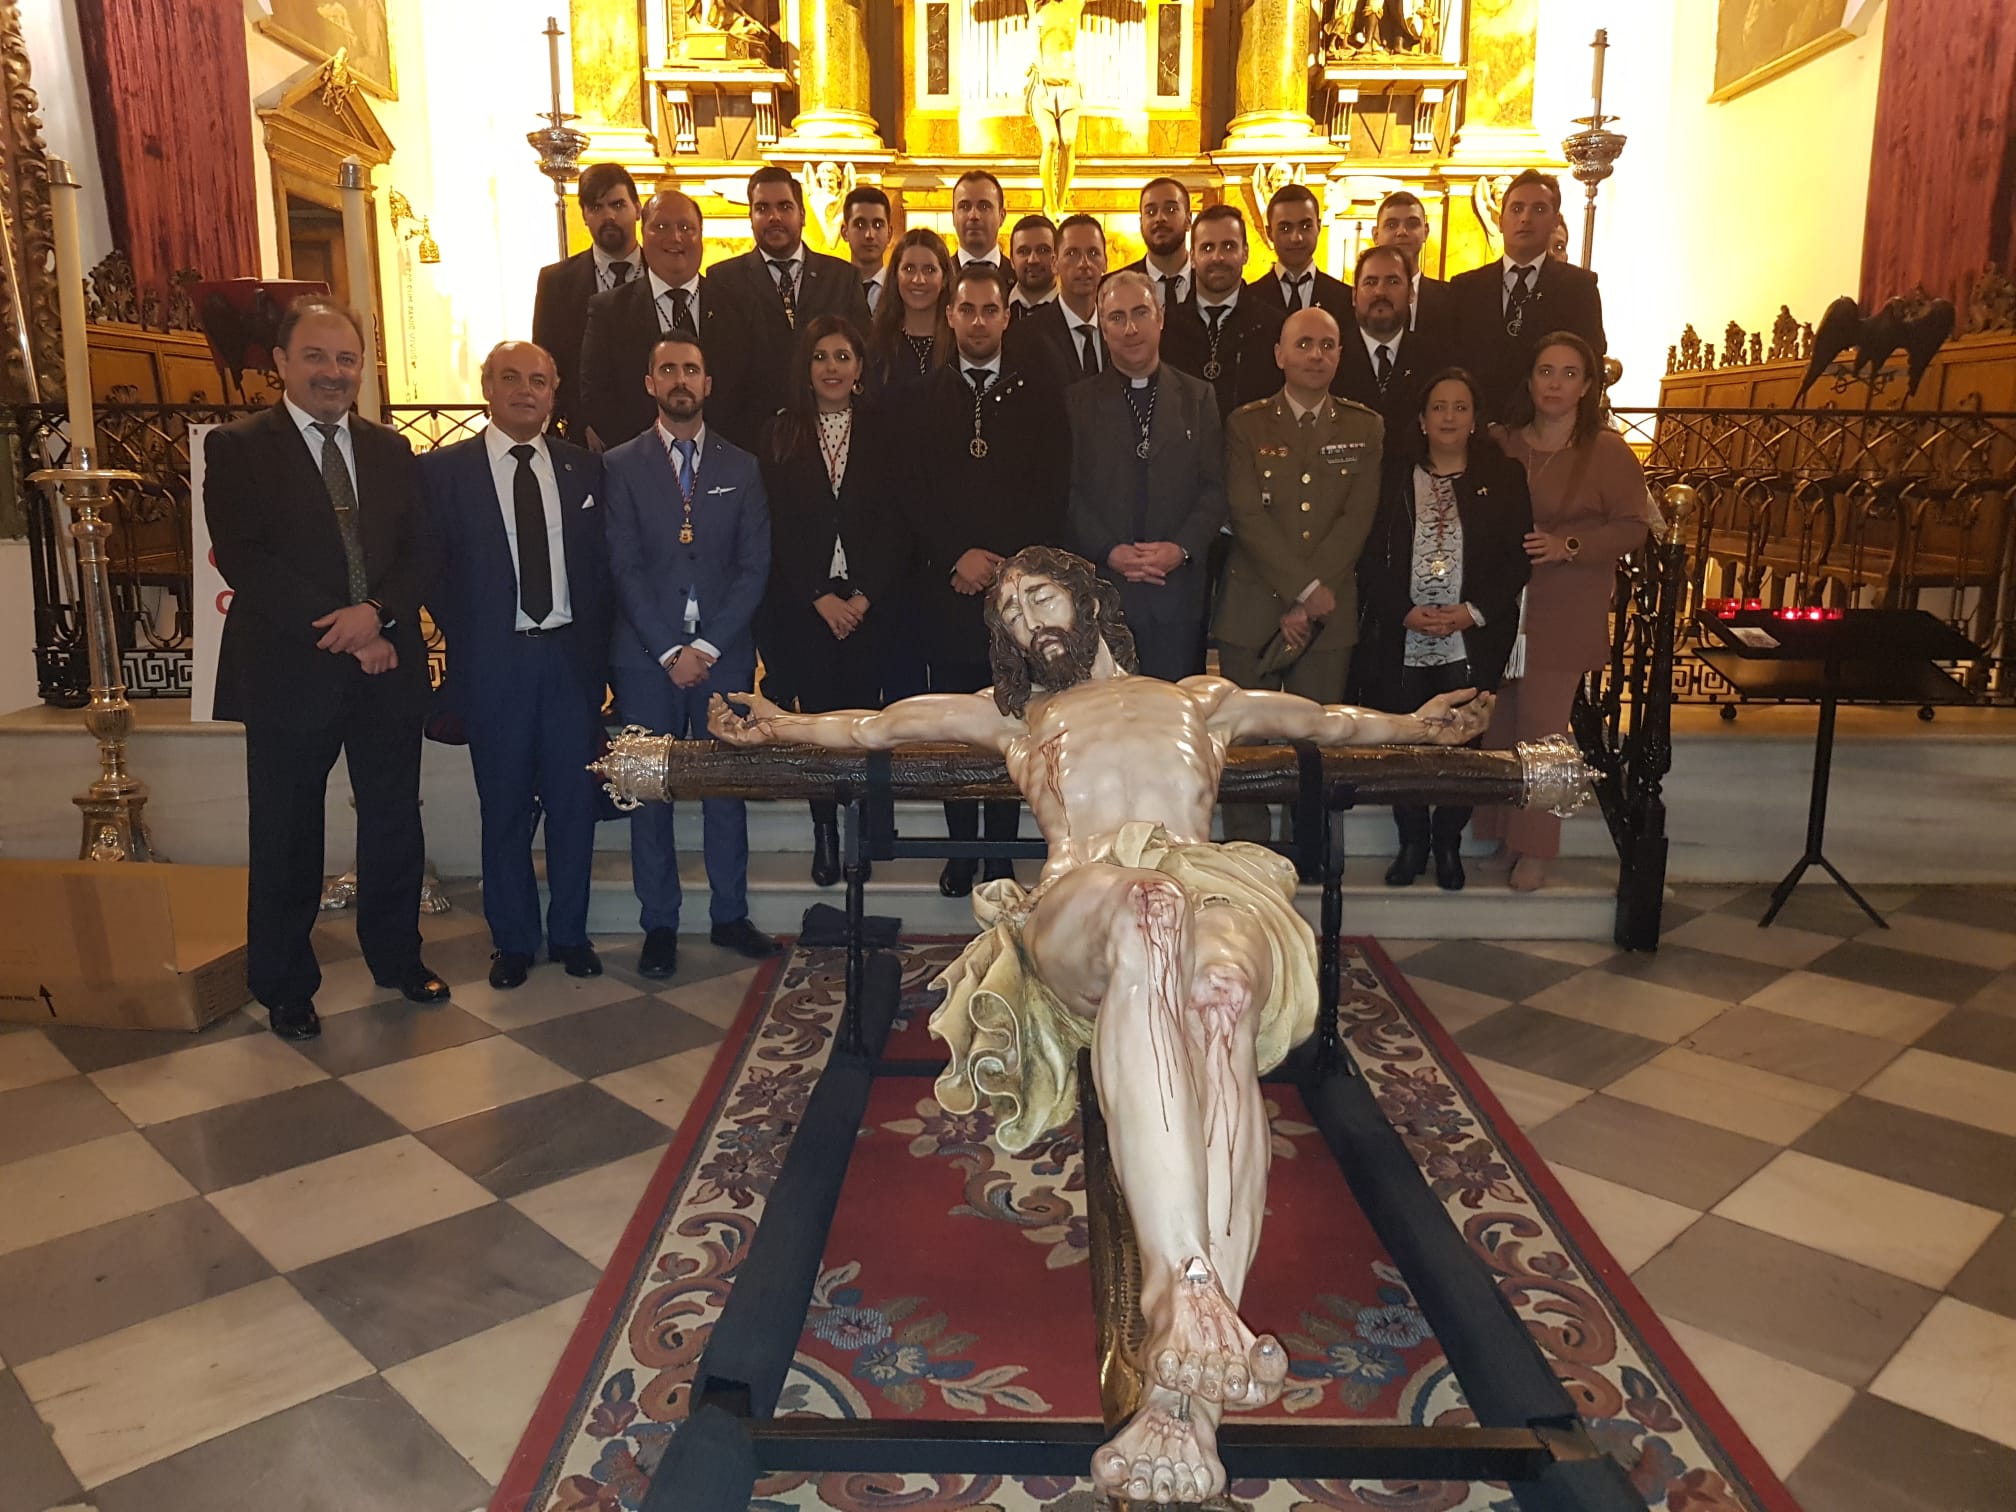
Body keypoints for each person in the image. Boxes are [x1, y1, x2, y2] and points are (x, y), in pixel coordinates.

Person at [706, 544, 1491, 1506]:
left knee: (1222, 997)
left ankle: (1183, 1405)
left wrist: (1416, 722)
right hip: (1087, 900)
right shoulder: (1014, 714)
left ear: (1089, 599)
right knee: (1147, 908)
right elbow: (875, 725)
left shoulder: (1201, 698)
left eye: (1041, 596)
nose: (1027, 619)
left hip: (1210, 885)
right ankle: (1183, 1285)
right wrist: (782, 721)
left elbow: (1327, 720)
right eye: (1009, 612)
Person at [204, 298, 445, 1040]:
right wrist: (346, 629)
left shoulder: (390, 450)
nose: (333, 372)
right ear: (281, 362)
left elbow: (421, 551)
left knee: (393, 819)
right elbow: (245, 559)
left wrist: (377, 614)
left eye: (346, 359)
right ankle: (284, 984)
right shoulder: (238, 447)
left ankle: (398, 958)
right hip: (290, 671)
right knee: (286, 832)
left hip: (386, 666)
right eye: (315, 356)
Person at [421, 342, 610, 988]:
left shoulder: (584, 469)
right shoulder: (444, 472)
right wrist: (475, 634)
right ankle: (513, 940)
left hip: (568, 663)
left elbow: (601, 569)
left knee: (573, 806)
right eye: (510, 378)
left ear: (554, 392)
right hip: (494, 664)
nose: (525, 390)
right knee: (502, 806)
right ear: (487, 389)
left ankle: (571, 934)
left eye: (538, 380)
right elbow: (433, 569)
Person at [603, 332, 780, 977]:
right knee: (648, 791)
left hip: (722, 657)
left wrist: (705, 646)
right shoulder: (620, 465)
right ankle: (659, 924)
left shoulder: (742, 466)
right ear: (650, 383)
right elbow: (621, 566)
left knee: (724, 790)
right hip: (645, 657)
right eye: (668, 369)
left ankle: (730, 914)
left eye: (692, 369)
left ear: (708, 384)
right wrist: (668, 650)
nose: (681, 379)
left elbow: (754, 566)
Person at [906, 261, 1070, 896]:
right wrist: (957, 555)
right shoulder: (924, 396)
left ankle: (999, 851)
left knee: (1010, 722)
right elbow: (912, 492)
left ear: (1007, 316)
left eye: (990, 310)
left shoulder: (1038, 394)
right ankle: (960, 849)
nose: (978, 322)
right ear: (950, 316)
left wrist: (1010, 567)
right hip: (948, 591)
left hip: (1016, 594)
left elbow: (1052, 487)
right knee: (958, 724)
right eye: (967, 310)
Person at [1475, 332, 1648, 891]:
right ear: (1529, 380)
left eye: (1570, 374)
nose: (1555, 384)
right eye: (1546, 371)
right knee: (1500, 725)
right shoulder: (1501, 443)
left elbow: (1633, 526)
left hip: (1565, 605)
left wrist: (1568, 545)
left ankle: (1537, 848)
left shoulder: (1608, 452)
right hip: (1502, 609)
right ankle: (1504, 832)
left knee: (1544, 733)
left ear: (1588, 385)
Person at [1357, 367, 1532, 891]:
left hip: (1471, 634)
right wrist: (1402, 611)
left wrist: (1471, 611)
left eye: (1460, 407)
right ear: (1422, 418)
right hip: (1403, 634)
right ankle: (1412, 840)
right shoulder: (1391, 476)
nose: (1449, 417)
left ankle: (1448, 841)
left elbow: (1516, 559)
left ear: (1475, 418)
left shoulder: (1504, 476)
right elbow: (1368, 556)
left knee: (1466, 741)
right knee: (1406, 740)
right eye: (1439, 407)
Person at [1213, 307, 1383, 843]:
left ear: (1340, 356)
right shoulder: (1245, 424)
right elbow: (1246, 514)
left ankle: (1307, 848)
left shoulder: (1364, 426)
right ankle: (1248, 850)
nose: (1316, 355)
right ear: (1279, 355)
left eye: (1327, 345)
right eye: (1304, 344)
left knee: (1316, 740)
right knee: (1247, 745)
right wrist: (1301, 590)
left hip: (1328, 613)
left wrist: (1310, 599)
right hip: (1252, 609)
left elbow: (1357, 518)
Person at [756, 315, 909, 887]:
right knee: (817, 729)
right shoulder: (780, 432)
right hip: (806, 609)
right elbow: (774, 524)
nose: (832, 368)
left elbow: (899, 523)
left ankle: (861, 834)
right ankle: (825, 833)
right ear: (806, 366)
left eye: (843, 356)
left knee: (864, 726)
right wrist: (817, 595)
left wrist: (864, 596)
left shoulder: (886, 431)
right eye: (821, 356)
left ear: (860, 366)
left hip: (871, 608)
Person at [1065, 269, 1226, 681]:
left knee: (1174, 710)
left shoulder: (1198, 397)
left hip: (1176, 593)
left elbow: (1214, 489)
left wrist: (1181, 548)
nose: (1130, 329)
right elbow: (1069, 492)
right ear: (1103, 327)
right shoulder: (1078, 402)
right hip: (1103, 590)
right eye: (1116, 317)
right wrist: (1108, 550)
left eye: (1140, 312)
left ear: (1161, 316)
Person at [707, 165, 871, 447]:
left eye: (784, 206)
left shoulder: (842, 277)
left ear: (802, 215)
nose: (774, 217)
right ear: (750, 217)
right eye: (762, 208)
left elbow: (863, 354)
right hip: (750, 441)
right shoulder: (723, 280)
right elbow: (721, 369)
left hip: (832, 439)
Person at [578, 189, 741, 452]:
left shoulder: (738, 306)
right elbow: (596, 394)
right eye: (661, 226)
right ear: (643, 233)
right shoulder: (608, 310)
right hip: (637, 462)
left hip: (723, 461)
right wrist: (650, 456)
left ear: (701, 235)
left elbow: (753, 391)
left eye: (686, 227)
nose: (675, 237)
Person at [1446, 170, 1606, 419]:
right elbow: (1451, 367)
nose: (1525, 218)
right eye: (1517, 209)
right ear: (1501, 221)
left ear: (1555, 222)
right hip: (1479, 429)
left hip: (1550, 429)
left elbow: (1591, 365)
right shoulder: (1465, 288)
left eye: (1539, 209)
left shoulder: (1579, 287)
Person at [531, 163, 640, 441]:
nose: (608, 216)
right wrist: (583, 421)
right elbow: (547, 365)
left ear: (638, 209)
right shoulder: (556, 282)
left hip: (655, 433)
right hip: (583, 439)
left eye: (618, 205)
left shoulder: (664, 273)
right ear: (584, 216)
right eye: (596, 207)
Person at [1160, 204, 1283, 419]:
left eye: (1228, 246)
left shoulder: (1274, 326)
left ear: (1245, 253)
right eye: (1207, 248)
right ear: (1193, 257)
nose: (1218, 257)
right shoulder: (1166, 326)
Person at [1331, 244, 1441, 433]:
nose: (1380, 291)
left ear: (1411, 293)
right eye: (1370, 282)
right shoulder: (1331, 357)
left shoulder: (1434, 359)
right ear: (1354, 296)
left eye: (1393, 282)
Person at [1009, 212, 1106, 383]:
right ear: (1055, 263)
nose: (1084, 264)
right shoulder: (1024, 336)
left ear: (1105, 262)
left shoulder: (1119, 329)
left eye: (1093, 252)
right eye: (1072, 253)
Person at [865, 226, 954, 405]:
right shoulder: (876, 345)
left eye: (929, 270)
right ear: (895, 276)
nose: (918, 280)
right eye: (909, 269)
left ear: (944, 278)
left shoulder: (959, 344)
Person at [1244, 183, 1351, 326]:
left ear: (1318, 227)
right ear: (1269, 233)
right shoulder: (1248, 299)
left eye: (1306, 226)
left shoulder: (1345, 298)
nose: (1296, 238)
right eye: (1285, 228)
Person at [1022, 0, 1087, 218]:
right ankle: (1050, 207)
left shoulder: (1076, 3)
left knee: (1068, 141)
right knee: (1050, 141)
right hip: (1043, 85)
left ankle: (1060, 206)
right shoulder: (1035, 4)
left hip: (1068, 84)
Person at [1371, 189, 1452, 338]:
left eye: (1412, 224)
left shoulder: (1451, 299)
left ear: (1425, 232)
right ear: (1375, 235)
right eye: (1391, 225)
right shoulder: (1357, 300)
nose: (1402, 232)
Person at [1122, 177, 1193, 308]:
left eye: (1171, 210)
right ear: (1141, 223)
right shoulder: (1114, 286)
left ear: (1188, 220)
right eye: (1150, 212)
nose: (1160, 218)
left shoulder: (1213, 282)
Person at [841, 184, 893, 315]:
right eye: (860, 225)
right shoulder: (830, 290)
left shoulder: (900, 289)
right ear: (845, 232)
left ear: (889, 233)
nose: (869, 235)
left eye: (878, 225)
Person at [1007, 212, 1060, 320]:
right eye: (1023, 251)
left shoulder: (1075, 308)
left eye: (1043, 250)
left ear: (1057, 257)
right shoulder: (996, 305)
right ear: (1012, 260)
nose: (1033, 260)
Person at [951, 168, 1006, 269]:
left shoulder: (1019, 276)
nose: (973, 216)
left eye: (984, 207)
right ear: (953, 216)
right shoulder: (940, 276)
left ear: (1002, 216)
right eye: (965, 207)